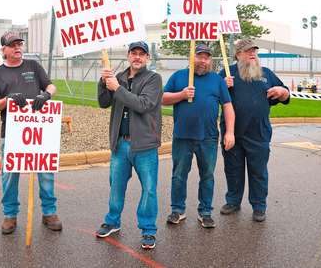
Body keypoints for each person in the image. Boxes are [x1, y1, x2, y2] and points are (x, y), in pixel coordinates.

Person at [0, 31, 62, 234]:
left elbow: (51, 86)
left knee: (45, 173)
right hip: (11, 133)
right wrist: (8, 98)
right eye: (12, 45)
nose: (18, 48)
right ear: (4, 50)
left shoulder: (33, 66)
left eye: (19, 44)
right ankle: (10, 215)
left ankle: (49, 212)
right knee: (9, 176)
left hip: (39, 131)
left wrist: (46, 95)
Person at [96, 41, 163, 250]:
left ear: (147, 58)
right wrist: (103, 81)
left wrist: (117, 88)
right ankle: (112, 221)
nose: (137, 57)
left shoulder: (154, 79)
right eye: (134, 53)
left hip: (144, 145)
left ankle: (148, 230)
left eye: (142, 54)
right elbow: (104, 102)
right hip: (120, 144)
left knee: (149, 189)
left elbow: (144, 105)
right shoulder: (119, 77)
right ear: (128, 56)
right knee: (116, 187)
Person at [163, 43, 235, 228]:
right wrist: (181, 94)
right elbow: (162, 99)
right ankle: (178, 210)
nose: (203, 60)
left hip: (208, 137)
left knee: (207, 175)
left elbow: (227, 106)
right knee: (179, 175)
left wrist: (230, 132)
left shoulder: (216, 80)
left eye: (207, 57)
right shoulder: (179, 77)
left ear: (210, 60)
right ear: (192, 57)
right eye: (199, 56)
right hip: (182, 136)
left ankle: (205, 212)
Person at [219, 39, 290, 222]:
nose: (252, 54)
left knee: (258, 171)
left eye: (254, 51)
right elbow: (212, 98)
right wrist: (222, 86)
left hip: (258, 133)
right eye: (248, 51)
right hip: (232, 132)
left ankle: (259, 206)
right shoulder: (227, 74)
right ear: (238, 54)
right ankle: (233, 201)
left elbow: (284, 93)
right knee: (233, 170)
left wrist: (283, 93)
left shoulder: (266, 74)